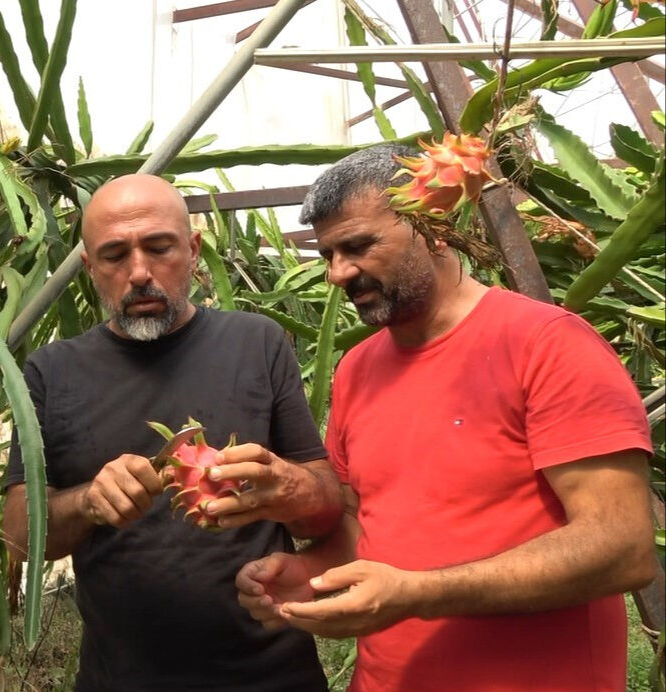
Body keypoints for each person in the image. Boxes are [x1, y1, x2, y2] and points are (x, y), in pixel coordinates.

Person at [227, 144, 657, 691]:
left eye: (358, 246)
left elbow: (622, 547)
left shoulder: (546, 345)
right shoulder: (357, 369)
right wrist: (308, 574)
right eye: (327, 254)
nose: (338, 273)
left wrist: (416, 594)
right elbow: (366, 527)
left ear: (432, 227)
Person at [1, 173, 344, 691]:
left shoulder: (258, 343)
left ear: (193, 249)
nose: (139, 272)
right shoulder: (52, 372)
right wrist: (89, 502)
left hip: (272, 676)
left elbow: (326, 507)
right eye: (115, 256)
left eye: (159, 247)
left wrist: (286, 487)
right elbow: (20, 537)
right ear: (89, 267)